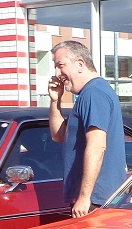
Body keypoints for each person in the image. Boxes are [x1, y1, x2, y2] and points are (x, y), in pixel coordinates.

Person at [48, 40, 126, 217]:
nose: (57, 73)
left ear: (80, 64)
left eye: (61, 65)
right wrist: (55, 101)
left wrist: (84, 197)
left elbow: (97, 145)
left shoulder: (94, 93)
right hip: (92, 200)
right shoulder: (88, 94)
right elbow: (58, 136)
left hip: (96, 201)